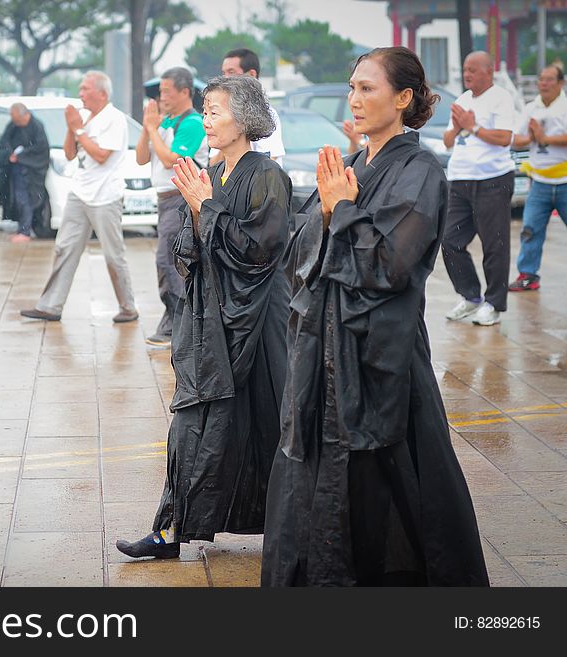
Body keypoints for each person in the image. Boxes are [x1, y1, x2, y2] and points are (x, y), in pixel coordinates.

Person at [261, 47, 489, 586]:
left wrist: (340, 209)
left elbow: (389, 265)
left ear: (404, 98)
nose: (355, 99)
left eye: (368, 88)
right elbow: (301, 251)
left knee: (395, 487)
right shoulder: (355, 165)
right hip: (326, 353)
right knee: (321, 481)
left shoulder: (420, 170)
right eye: (352, 88)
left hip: (383, 357)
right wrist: (326, 209)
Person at [116, 75, 291, 559]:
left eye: (215, 111)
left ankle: (291, 524)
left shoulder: (267, 175)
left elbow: (260, 250)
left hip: (258, 324)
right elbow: (189, 250)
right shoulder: (213, 172)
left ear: (246, 117)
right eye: (207, 111)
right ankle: (172, 527)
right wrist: (200, 209)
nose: (207, 120)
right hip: (213, 319)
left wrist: (203, 207)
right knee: (193, 424)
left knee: (267, 425)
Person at [20, 71, 138, 324]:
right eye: (80, 89)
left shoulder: (114, 119)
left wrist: (78, 129)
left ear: (102, 93)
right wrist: (71, 129)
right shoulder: (84, 117)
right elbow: (70, 154)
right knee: (64, 248)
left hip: (106, 195)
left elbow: (102, 155)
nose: (80, 93)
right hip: (79, 192)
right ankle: (50, 305)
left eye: (85, 89)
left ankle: (128, 307)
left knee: (112, 254)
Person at [441, 51, 515, 326]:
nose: (467, 74)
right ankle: (470, 296)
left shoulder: (501, 98)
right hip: (460, 179)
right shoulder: (462, 100)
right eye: (464, 69)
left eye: (472, 70)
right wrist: (459, 128)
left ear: (489, 71)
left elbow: (505, 137)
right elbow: (448, 140)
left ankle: (494, 304)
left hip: (493, 180)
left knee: (494, 244)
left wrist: (472, 127)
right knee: (449, 240)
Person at [137, 66, 208, 348]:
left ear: (185, 92)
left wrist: (154, 129)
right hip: (164, 200)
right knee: (168, 260)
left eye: (167, 91)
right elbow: (143, 158)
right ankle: (176, 321)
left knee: (168, 261)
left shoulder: (191, 123)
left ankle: (177, 322)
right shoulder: (165, 121)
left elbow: (171, 160)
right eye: (160, 91)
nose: (161, 96)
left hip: (179, 199)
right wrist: (147, 129)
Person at [508, 65, 567, 292]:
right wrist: (532, 137)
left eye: (549, 79)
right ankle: (528, 275)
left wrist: (545, 138)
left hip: (564, 181)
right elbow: (516, 138)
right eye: (541, 79)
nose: (543, 83)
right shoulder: (531, 107)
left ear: (560, 83)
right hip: (539, 182)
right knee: (530, 229)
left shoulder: (564, 105)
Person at [209, 48, 284, 166]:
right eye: (224, 73)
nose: (225, 78)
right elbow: (213, 165)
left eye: (231, 72)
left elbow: (270, 161)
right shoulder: (222, 115)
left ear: (251, 74)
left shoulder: (267, 114)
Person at [0, 102, 50, 243]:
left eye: (14, 117)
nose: (13, 120)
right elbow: (4, 142)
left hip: (31, 171)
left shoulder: (37, 127)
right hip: (15, 169)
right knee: (18, 199)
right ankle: (21, 229)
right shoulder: (13, 126)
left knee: (26, 199)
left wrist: (21, 156)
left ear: (23, 115)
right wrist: (10, 155)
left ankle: (25, 231)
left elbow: (41, 148)